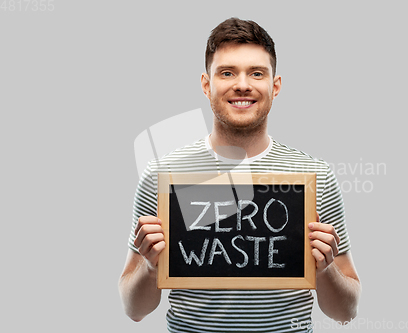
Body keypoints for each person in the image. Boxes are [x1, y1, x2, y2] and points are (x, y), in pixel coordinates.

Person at [119, 17, 361, 332]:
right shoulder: (163, 174)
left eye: (256, 73)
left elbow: (346, 312)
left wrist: (326, 270)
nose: (242, 84)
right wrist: (151, 268)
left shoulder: (314, 175)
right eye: (227, 72)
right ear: (207, 85)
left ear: (275, 86)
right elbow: (133, 310)